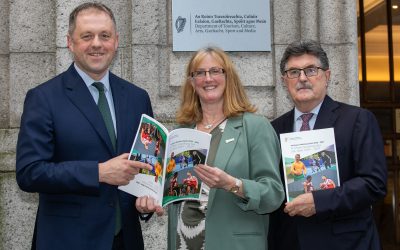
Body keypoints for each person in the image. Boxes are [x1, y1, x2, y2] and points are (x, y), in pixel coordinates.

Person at [15, 3, 153, 250]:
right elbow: (29, 173)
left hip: (126, 241)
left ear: (116, 41)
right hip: (67, 240)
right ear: (70, 42)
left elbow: (147, 166)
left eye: (105, 36)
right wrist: (99, 172)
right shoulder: (43, 98)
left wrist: (147, 199)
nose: (97, 44)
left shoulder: (137, 97)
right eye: (87, 36)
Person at [135, 47, 284, 249]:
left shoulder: (255, 127)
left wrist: (232, 183)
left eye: (215, 71)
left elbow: (273, 194)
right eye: (200, 73)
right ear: (192, 82)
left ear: (228, 77)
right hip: (184, 242)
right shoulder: (181, 133)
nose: (208, 78)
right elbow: (170, 193)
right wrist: (148, 202)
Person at [268, 40, 387, 250]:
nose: (302, 78)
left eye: (311, 70)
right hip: (290, 242)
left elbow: (374, 184)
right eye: (293, 72)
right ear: (284, 80)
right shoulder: (273, 129)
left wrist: (319, 201)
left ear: (327, 76)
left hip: (346, 243)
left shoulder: (357, 120)